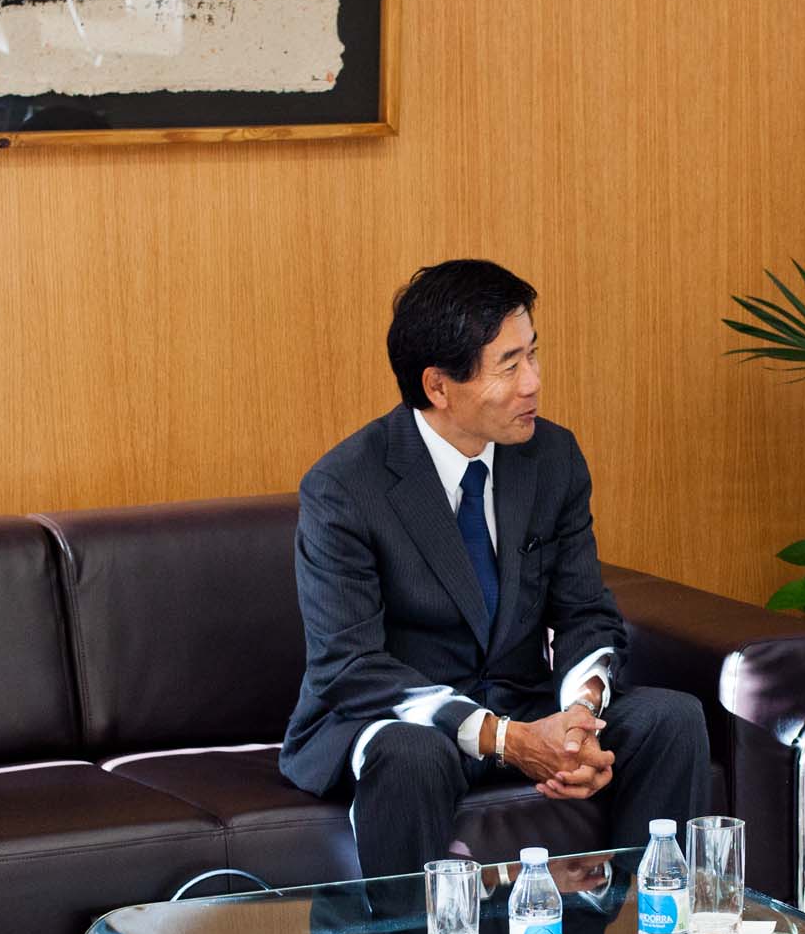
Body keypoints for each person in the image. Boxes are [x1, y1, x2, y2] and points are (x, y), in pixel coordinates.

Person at [282, 258, 712, 875]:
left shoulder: (552, 458)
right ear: (438, 387)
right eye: (509, 366)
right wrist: (506, 738)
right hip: (404, 720)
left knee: (672, 719)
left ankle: (645, 919)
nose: (533, 382)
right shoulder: (346, 486)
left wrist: (580, 717)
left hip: (526, 703)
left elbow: (586, 612)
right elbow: (348, 666)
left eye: (532, 354)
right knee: (410, 756)